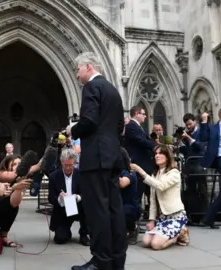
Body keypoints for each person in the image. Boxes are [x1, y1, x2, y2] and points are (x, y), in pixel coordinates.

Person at [67, 52, 127, 270]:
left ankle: (101, 261)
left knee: (97, 210)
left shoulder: (91, 88)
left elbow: (89, 121)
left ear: (89, 67)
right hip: (112, 156)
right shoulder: (113, 90)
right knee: (114, 209)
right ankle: (116, 260)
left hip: (96, 159)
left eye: (78, 69)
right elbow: (120, 126)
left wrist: (73, 129)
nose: (76, 75)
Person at [131, 145, 189, 250]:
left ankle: (178, 235)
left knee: (156, 245)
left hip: (175, 216)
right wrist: (152, 220)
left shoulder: (174, 173)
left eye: (160, 153)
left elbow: (160, 186)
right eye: (156, 154)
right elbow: (152, 199)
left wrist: (140, 171)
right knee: (146, 242)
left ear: (167, 156)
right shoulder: (155, 174)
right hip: (162, 218)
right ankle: (173, 233)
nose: (157, 156)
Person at [48, 148, 89, 246]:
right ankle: (66, 231)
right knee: (60, 239)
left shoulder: (80, 174)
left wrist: (77, 197)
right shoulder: (54, 176)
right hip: (62, 209)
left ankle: (84, 234)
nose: (67, 168)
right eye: (65, 165)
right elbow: (50, 197)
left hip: (78, 206)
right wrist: (59, 198)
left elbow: (86, 193)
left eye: (70, 165)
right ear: (61, 162)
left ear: (75, 163)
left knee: (87, 204)